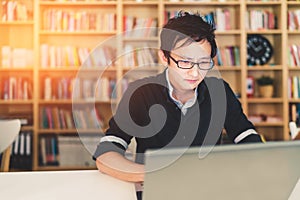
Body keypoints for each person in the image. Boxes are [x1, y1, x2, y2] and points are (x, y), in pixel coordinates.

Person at [93, 11, 263, 197]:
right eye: (185, 62)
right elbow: (106, 154)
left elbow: (249, 140)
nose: (195, 73)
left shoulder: (219, 91)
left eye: (203, 62)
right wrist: (156, 174)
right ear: (165, 57)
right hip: (157, 193)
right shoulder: (140, 93)